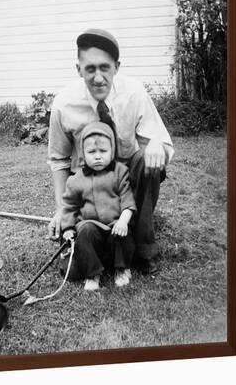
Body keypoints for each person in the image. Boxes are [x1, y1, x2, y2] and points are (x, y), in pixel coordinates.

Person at [48, 28, 174, 274]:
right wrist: (62, 211)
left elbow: (163, 144)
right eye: (90, 69)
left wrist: (157, 143)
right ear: (78, 69)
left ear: (117, 66)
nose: (98, 78)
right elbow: (59, 161)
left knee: (144, 158)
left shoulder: (134, 92)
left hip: (127, 180)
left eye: (104, 68)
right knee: (75, 261)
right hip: (89, 184)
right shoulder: (63, 104)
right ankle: (95, 240)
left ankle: (142, 249)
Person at [61, 121, 136, 291]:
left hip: (114, 226)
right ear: (82, 154)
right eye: (91, 152)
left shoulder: (120, 172)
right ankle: (92, 273)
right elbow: (69, 207)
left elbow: (127, 200)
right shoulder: (76, 180)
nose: (97, 156)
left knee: (123, 233)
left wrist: (123, 221)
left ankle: (122, 268)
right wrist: (67, 228)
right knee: (85, 231)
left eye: (103, 151)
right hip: (91, 229)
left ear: (112, 151)